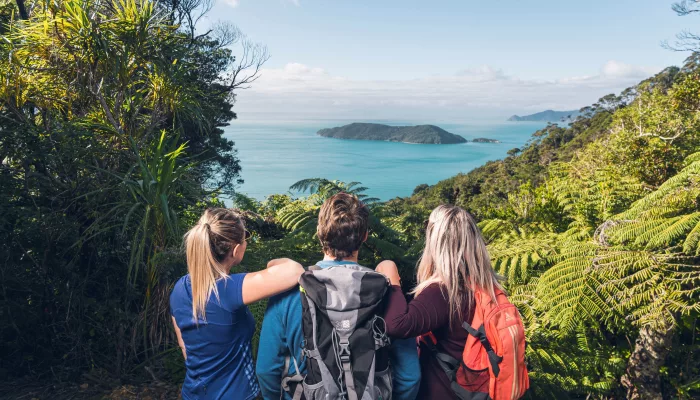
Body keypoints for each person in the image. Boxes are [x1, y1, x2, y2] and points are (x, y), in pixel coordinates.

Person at [256, 193, 421, 400]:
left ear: (319, 232)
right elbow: (410, 376)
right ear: (364, 236)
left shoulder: (289, 294)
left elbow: (266, 370)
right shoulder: (386, 294)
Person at [170, 208, 305, 400]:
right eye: (245, 238)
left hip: (193, 393)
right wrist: (271, 263)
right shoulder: (229, 290)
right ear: (235, 250)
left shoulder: (179, 288)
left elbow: (185, 346)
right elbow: (294, 271)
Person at [375, 204, 503, 400]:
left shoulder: (445, 292)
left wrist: (391, 275)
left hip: (445, 391)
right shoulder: (485, 287)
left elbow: (396, 325)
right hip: (475, 391)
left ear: (436, 243)